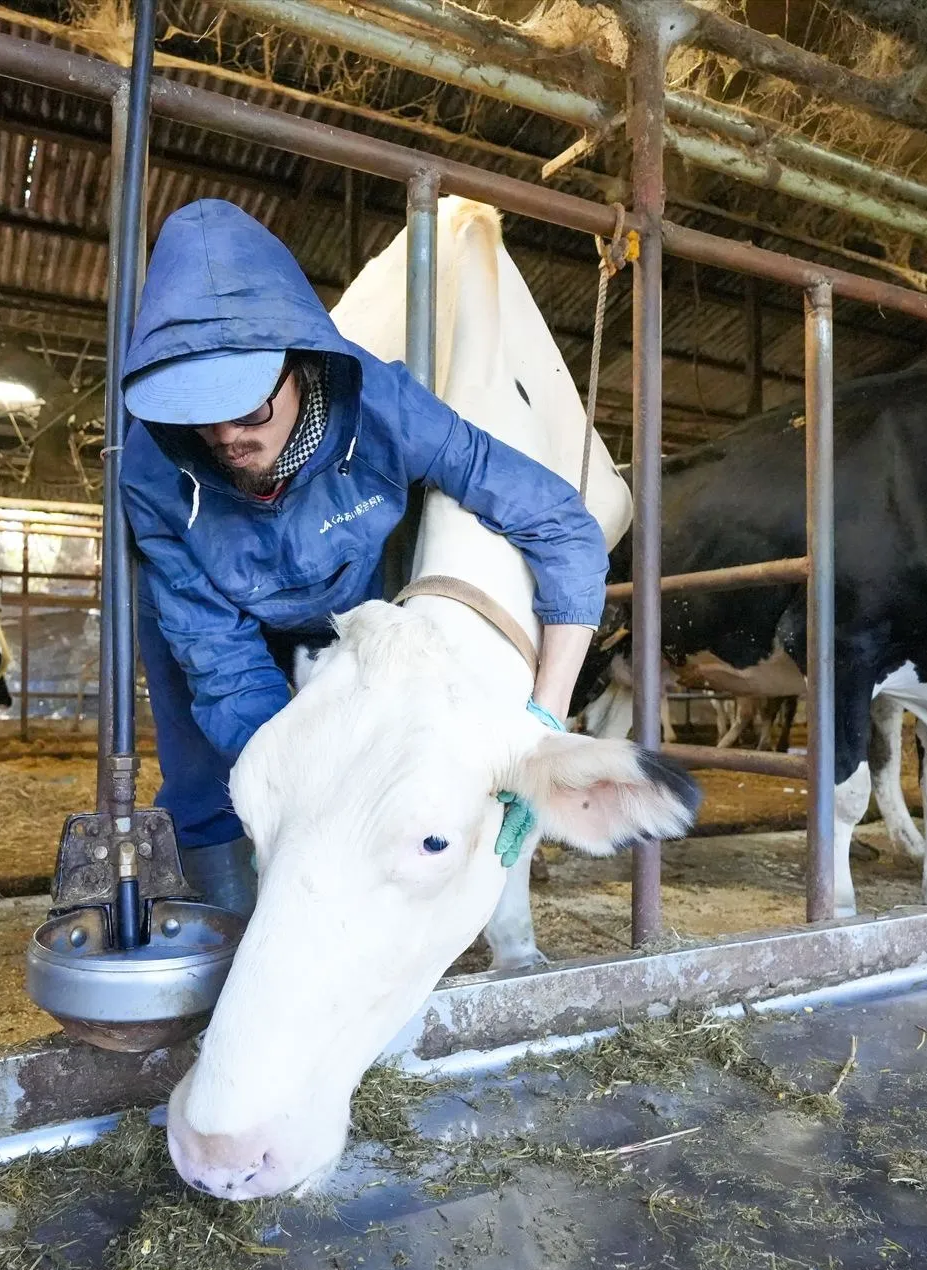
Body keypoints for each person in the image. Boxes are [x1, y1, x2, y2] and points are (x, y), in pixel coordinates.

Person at [122, 199, 607, 915]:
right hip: (218, 610)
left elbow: (561, 524)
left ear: (300, 367)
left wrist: (545, 723)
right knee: (206, 775)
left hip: (350, 600)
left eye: (250, 407)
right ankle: (228, 910)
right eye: (197, 411)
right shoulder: (153, 468)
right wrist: (299, 799)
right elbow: (223, 669)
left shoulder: (383, 408)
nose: (224, 436)